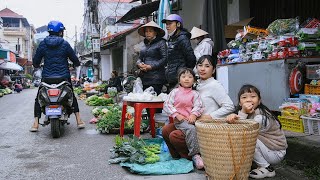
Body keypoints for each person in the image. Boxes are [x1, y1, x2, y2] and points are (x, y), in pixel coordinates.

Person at [162, 55, 234, 167]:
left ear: (213, 70)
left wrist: (210, 116)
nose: (202, 69)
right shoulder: (196, 83)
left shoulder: (215, 85)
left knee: (175, 136)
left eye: (207, 66)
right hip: (191, 121)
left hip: (205, 125)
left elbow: (229, 106)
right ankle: (180, 157)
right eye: (200, 65)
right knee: (166, 130)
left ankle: (196, 157)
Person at [30, 20, 85, 132]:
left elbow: (35, 62)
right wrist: (75, 65)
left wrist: (38, 64)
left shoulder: (43, 44)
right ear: (60, 32)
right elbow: (75, 60)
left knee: (39, 98)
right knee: (71, 96)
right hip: (63, 77)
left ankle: (35, 123)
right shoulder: (65, 44)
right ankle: (79, 120)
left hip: (47, 78)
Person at [226, 84, 287, 179]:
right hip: (267, 148)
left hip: (275, 152)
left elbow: (241, 131)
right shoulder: (244, 113)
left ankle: (267, 168)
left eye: (253, 96)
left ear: (259, 101)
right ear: (239, 103)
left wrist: (242, 112)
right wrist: (232, 117)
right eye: (244, 97)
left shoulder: (261, 116)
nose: (249, 99)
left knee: (247, 139)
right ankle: (257, 164)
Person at [163, 68, 204, 169]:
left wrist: (193, 115)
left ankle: (195, 155)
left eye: (190, 77)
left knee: (192, 128)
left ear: (194, 81)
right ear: (179, 80)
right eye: (183, 76)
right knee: (190, 129)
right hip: (180, 121)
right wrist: (176, 114)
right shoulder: (175, 92)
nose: (187, 79)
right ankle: (188, 155)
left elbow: (199, 106)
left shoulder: (195, 94)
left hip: (190, 120)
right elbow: (167, 104)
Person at [161, 14, 196, 91]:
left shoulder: (182, 38)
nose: (167, 26)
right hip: (173, 78)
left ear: (178, 24)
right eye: (166, 24)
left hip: (180, 79)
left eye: (170, 23)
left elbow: (191, 58)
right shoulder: (172, 39)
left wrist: (184, 73)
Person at [136, 21, 167, 95]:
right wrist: (139, 64)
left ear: (155, 32)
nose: (148, 33)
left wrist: (151, 66)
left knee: (154, 101)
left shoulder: (161, 43)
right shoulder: (144, 45)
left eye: (150, 31)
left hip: (156, 78)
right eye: (146, 31)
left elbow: (165, 59)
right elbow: (139, 58)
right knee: (145, 100)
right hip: (145, 78)